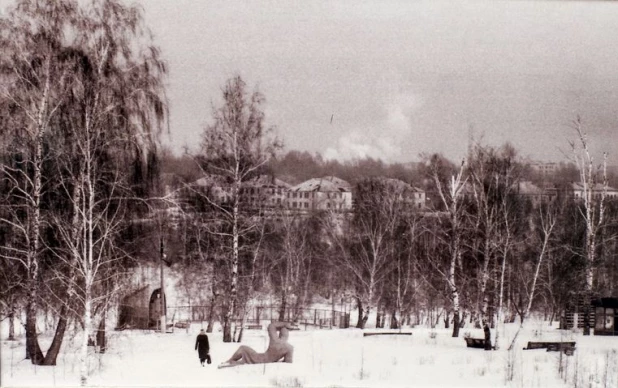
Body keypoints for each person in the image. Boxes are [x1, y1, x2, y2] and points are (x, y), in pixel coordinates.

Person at [218, 321, 298, 368]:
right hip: (265, 360)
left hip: (260, 358)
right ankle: (230, 363)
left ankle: (229, 362)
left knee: (243, 348)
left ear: (280, 334)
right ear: (287, 336)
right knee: (244, 359)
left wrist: (285, 324)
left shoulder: (275, 340)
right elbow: (288, 363)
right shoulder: (290, 348)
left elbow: (271, 326)